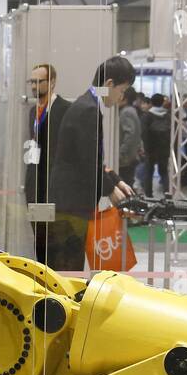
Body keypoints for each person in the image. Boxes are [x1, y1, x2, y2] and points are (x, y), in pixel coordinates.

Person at [47, 55, 138, 272]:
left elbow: (92, 158)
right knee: (67, 271)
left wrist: (115, 181)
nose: (121, 97)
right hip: (70, 207)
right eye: (122, 90)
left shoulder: (87, 105)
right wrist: (111, 190)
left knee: (69, 267)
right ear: (109, 85)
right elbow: (89, 163)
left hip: (69, 205)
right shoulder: (88, 110)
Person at [22, 63, 70, 263]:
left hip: (55, 186)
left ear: (52, 83)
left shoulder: (65, 110)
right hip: (35, 185)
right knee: (39, 240)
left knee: (56, 243)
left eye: (39, 81)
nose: (34, 86)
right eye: (32, 82)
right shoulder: (33, 111)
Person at [140, 92, 172, 197]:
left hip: (150, 149)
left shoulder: (147, 116)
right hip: (164, 149)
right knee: (164, 172)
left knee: (148, 172)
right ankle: (167, 194)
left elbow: (144, 133)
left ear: (151, 103)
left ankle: (149, 195)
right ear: (163, 102)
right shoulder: (168, 116)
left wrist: (144, 147)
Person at [117, 86, 143, 190]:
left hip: (125, 160)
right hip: (129, 157)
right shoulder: (131, 110)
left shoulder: (126, 112)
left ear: (125, 97)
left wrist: (120, 153)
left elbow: (130, 136)